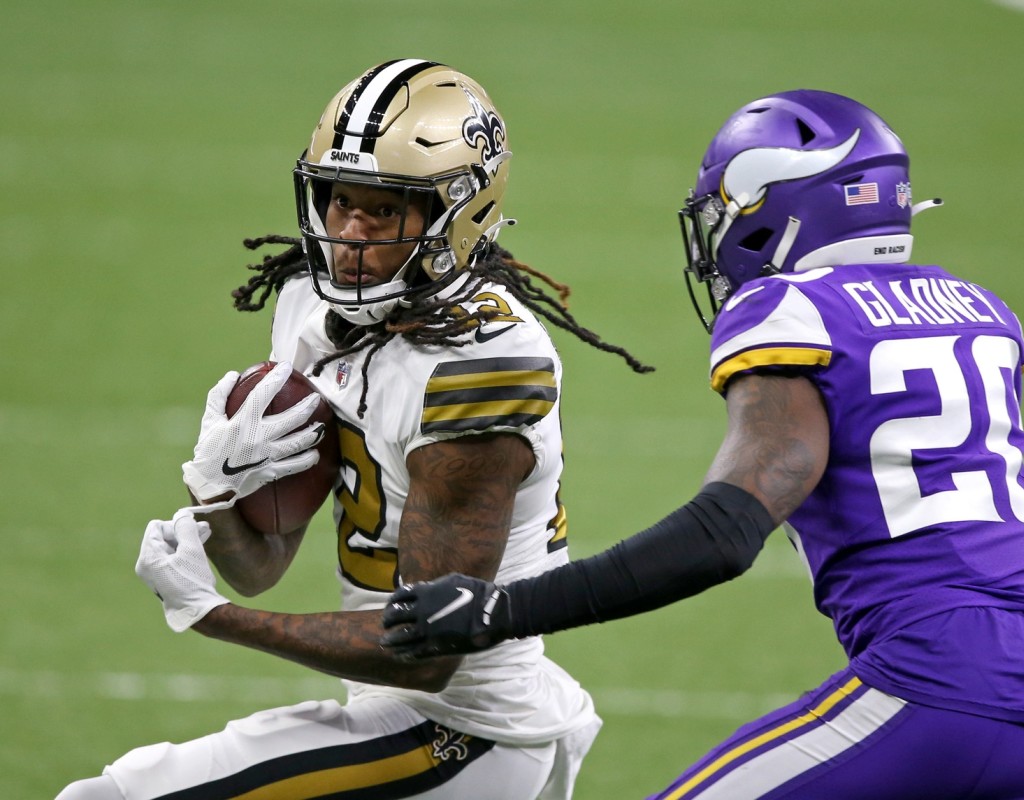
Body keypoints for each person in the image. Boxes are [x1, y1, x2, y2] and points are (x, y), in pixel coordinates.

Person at [379, 89, 1024, 798]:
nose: (718, 238)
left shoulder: (792, 307)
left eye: (728, 211)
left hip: (937, 685)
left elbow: (724, 533)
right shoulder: (982, 310)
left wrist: (500, 610)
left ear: (783, 208)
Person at [57, 58, 651, 800]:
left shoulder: (481, 367)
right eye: (340, 202)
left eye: (383, 209)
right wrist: (217, 492)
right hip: (396, 714)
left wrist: (215, 617)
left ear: (456, 215)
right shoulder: (311, 308)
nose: (349, 233)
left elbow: (425, 652)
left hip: (465, 734)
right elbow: (263, 562)